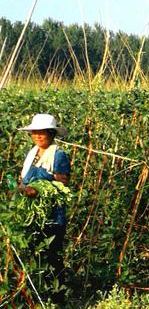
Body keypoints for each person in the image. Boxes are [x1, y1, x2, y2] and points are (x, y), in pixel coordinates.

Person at [18, 114, 71, 304]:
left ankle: (58, 299)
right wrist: (23, 189)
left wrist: (38, 190)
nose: (39, 136)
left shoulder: (59, 155)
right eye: (35, 132)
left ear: (51, 134)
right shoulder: (31, 155)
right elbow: (23, 180)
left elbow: (62, 184)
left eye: (43, 132)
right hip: (32, 215)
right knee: (35, 255)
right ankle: (40, 295)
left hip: (52, 215)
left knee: (52, 256)